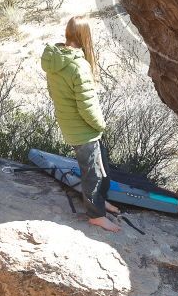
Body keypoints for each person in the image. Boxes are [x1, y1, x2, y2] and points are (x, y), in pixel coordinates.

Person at [41, 16, 121, 233]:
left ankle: (100, 201)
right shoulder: (79, 65)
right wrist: (100, 125)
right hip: (84, 129)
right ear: (84, 35)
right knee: (92, 173)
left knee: (100, 165)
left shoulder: (55, 59)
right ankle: (96, 215)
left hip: (70, 123)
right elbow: (87, 106)